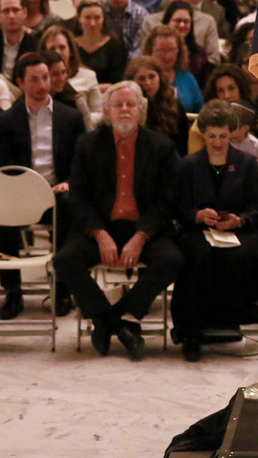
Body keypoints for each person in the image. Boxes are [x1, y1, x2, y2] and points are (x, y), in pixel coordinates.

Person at [54, 82, 184, 360]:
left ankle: (119, 317)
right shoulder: (87, 145)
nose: (124, 110)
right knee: (64, 260)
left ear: (140, 110)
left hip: (145, 228)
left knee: (172, 259)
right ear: (107, 111)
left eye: (130, 104)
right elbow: (78, 197)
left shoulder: (162, 147)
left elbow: (168, 201)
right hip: (101, 226)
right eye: (118, 105)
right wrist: (100, 234)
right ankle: (112, 322)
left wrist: (140, 237)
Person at [0, 52, 86, 319]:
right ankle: (13, 292)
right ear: (21, 83)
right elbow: (3, 166)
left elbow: (81, 163)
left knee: (69, 206)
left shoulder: (71, 117)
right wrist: (28, 189)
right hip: (22, 193)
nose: (42, 84)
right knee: (1, 212)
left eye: (45, 77)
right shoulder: (7, 121)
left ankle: (62, 290)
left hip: (59, 193)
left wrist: (67, 183)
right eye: (34, 79)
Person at [169, 101, 258, 361]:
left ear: (230, 134)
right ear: (203, 135)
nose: (218, 142)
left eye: (223, 136)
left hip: (238, 230)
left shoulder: (246, 163)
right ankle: (191, 331)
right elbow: (177, 207)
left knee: (243, 254)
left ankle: (230, 322)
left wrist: (239, 220)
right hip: (198, 230)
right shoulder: (189, 165)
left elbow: (256, 207)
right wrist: (197, 215)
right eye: (212, 136)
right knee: (197, 255)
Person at [74, 0, 129, 86]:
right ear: (79, 18)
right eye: (87, 18)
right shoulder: (70, 45)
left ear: (103, 18)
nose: (92, 23)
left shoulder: (116, 46)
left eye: (97, 18)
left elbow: (117, 82)